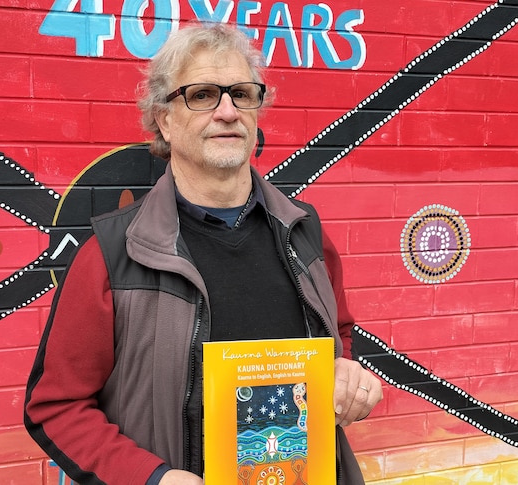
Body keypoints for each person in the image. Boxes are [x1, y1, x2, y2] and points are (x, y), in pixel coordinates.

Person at [24, 22, 382, 485]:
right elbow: (57, 407)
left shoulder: (305, 233)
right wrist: (151, 478)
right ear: (165, 120)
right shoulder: (113, 256)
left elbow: (340, 335)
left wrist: (345, 371)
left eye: (242, 93)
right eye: (202, 94)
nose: (228, 111)